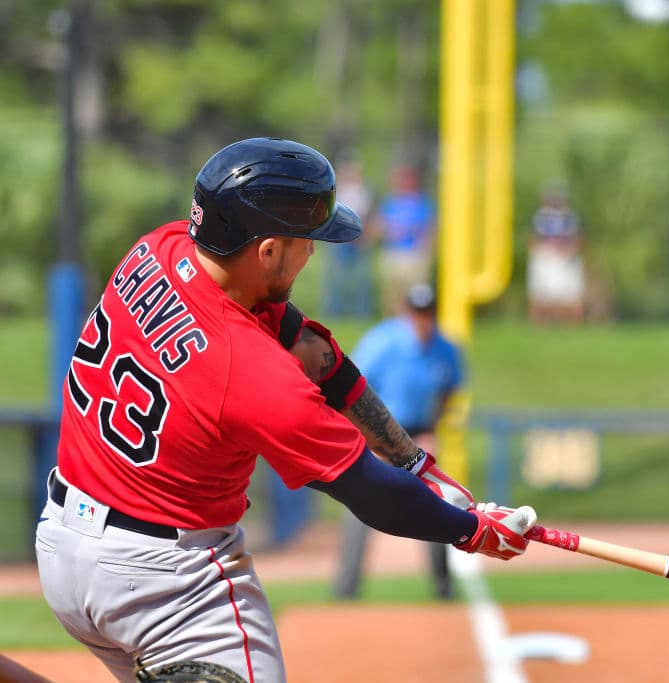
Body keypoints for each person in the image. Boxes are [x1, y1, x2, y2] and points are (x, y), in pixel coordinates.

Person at [34, 137, 535, 683]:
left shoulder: (161, 247)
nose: (313, 252)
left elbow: (317, 355)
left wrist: (417, 464)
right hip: (165, 582)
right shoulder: (251, 371)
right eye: (306, 240)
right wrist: (471, 529)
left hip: (63, 547)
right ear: (268, 251)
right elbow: (372, 493)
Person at [335, 282, 465, 600]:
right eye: (418, 312)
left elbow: (449, 391)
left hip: (420, 433)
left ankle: (442, 586)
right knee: (361, 503)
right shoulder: (382, 342)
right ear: (407, 312)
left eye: (428, 312)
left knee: (437, 503)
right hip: (378, 433)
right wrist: (371, 439)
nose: (423, 319)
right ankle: (346, 587)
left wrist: (433, 430)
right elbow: (351, 388)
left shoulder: (445, 348)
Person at [373, 164, 436, 315]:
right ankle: (394, 319)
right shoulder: (390, 202)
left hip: (415, 254)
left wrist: (426, 248)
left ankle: (414, 318)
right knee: (393, 293)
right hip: (393, 252)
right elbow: (379, 226)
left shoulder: (423, 203)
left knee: (416, 291)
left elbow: (429, 229)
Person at [320, 157, 376, 319]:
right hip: (338, 240)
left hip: (359, 241)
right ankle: (333, 311)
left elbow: (369, 217)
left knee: (361, 279)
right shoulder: (336, 191)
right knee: (335, 278)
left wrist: (365, 237)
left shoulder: (365, 192)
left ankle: (361, 312)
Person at [527, 182, 585, 324]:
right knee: (541, 294)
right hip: (545, 256)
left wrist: (569, 250)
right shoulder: (539, 217)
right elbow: (532, 238)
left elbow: (579, 238)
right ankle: (541, 325)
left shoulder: (571, 217)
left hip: (567, 257)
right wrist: (543, 252)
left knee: (570, 295)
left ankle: (571, 325)